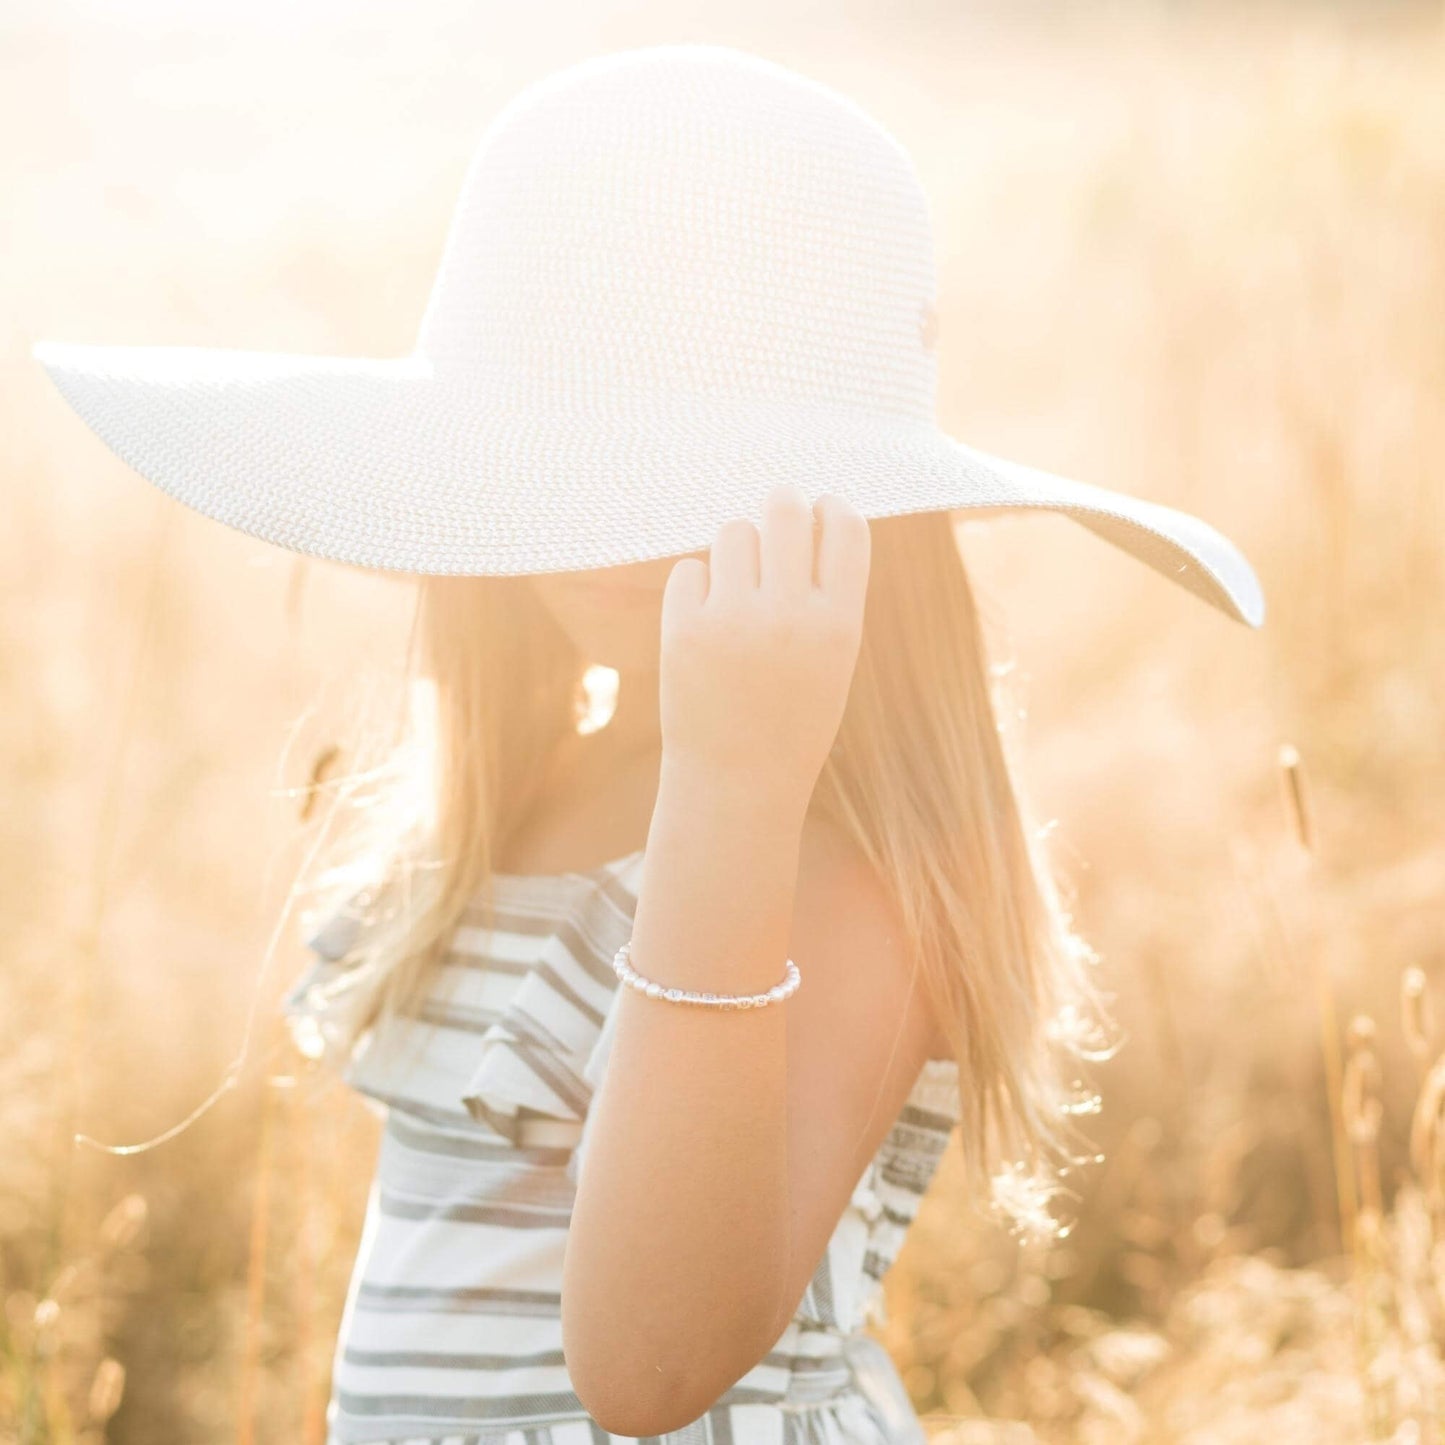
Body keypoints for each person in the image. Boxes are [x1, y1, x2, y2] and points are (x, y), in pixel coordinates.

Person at [33, 41, 1265, 1445]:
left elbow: (649, 1361)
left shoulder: (836, 867)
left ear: (862, 518)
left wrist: (735, 780)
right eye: (559, 468)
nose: (610, 528)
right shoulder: (542, 785)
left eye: (694, 479)